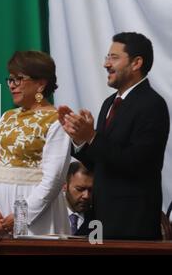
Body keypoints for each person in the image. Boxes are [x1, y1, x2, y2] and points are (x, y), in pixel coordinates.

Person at [59, 32, 170, 240]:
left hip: (132, 223)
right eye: (106, 57)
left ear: (136, 63)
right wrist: (79, 139)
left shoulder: (152, 104)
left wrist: (92, 136)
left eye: (114, 58)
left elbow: (136, 162)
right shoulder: (109, 103)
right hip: (101, 220)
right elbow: (101, 163)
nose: (106, 64)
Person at [0, 51, 71, 237]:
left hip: (37, 214)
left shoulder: (56, 120)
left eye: (19, 79)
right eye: (10, 80)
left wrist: (21, 215)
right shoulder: (7, 117)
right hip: (1, 213)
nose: (12, 86)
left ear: (41, 83)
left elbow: (53, 179)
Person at [64, 161, 94, 236]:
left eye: (91, 190)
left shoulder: (98, 221)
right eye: (79, 189)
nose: (86, 196)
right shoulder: (51, 216)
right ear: (64, 186)